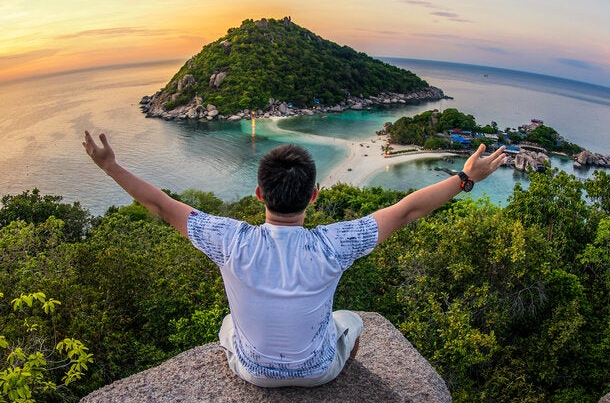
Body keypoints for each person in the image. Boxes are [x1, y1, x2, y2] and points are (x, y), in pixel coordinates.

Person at [83, 131, 506, 387]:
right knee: (352, 320)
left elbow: (160, 205)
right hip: (318, 371)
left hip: (250, 372)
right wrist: (465, 177)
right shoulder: (333, 244)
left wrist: (110, 167)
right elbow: (406, 210)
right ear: (314, 196)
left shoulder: (230, 241)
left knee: (227, 323)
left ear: (259, 194)